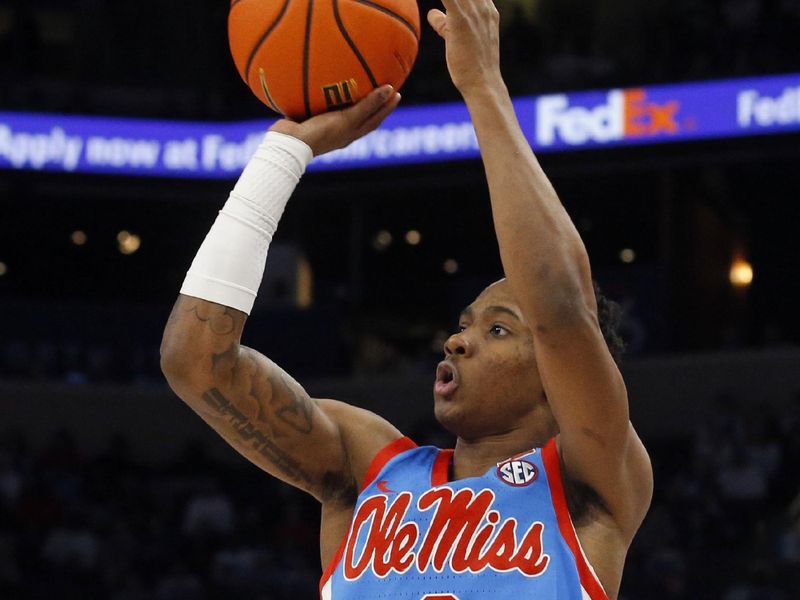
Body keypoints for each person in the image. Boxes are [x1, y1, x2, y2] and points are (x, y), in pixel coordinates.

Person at [160, 1, 653, 598]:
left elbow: (558, 306)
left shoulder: (589, 482)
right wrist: (281, 155)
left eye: (498, 329)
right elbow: (194, 362)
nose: (456, 340)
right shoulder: (367, 467)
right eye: (465, 324)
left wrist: (483, 88)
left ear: (558, 373)